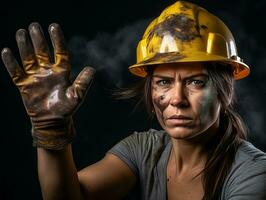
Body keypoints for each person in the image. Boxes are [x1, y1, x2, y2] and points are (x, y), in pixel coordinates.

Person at [1, 1, 266, 200]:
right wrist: (51, 131)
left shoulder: (255, 173)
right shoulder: (144, 150)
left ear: (225, 90)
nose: (177, 99)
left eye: (196, 82)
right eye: (163, 82)